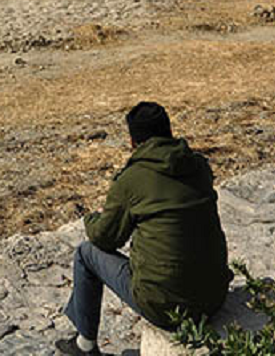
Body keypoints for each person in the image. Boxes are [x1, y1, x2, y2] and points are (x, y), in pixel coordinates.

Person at [56, 102, 233, 355]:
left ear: (132, 141)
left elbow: (105, 238)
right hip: (214, 298)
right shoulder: (199, 166)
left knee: (86, 253)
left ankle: (85, 345)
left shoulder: (132, 179)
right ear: (168, 130)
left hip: (165, 307)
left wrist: (90, 218)